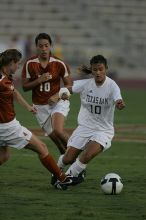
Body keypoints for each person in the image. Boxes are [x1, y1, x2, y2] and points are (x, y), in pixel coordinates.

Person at [0, 49, 73, 188]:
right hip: (8, 128)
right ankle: (62, 179)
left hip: (4, 127)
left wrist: (28, 107)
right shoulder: (2, 81)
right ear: (10, 63)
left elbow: (14, 93)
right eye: (17, 64)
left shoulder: (6, 77)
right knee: (42, 148)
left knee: (3, 156)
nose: (18, 67)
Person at [54, 54, 125, 188]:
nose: (98, 72)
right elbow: (66, 89)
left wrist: (119, 103)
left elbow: (118, 98)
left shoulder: (112, 86)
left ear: (106, 69)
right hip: (84, 128)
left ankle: (66, 179)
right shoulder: (86, 84)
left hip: (103, 131)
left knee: (87, 155)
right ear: (91, 70)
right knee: (67, 158)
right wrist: (61, 95)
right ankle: (56, 171)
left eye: (101, 69)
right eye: (95, 70)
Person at [21, 33, 73, 154]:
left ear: (50, 46)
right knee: (59, 144)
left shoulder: (59, 63)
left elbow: (69, 86)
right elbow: (24, 87)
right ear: (36, 47)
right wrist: (39, 80)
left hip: (58, 103)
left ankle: (78, 159)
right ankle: (65, 165)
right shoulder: (30, 64)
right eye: (40, 46)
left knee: (58, 131)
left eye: (46, 45)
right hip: (39, 107)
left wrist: (57, 96)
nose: (44, 49)